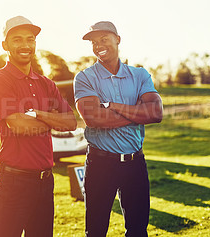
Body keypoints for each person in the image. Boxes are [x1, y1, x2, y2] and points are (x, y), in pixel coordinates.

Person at [0, 16, 77, 237]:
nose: (25, 45)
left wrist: (36, 114)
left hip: (45, 181)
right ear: (5, 45)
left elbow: (71, 122)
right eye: (17, 40)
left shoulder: (46, 84)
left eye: (30, 39)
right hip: (14, 182)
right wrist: (52, 120)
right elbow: (19, 125)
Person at [74, 21, 163, 237]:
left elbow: (156, 113)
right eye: (94, 42)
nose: (98, 46)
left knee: (138, 230)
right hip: (100, 163)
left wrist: (113, 106)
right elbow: (94, 118)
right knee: (95, 231)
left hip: (135, 163)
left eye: (104, 39)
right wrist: (137, 113)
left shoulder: (140, 75)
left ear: (118, 39)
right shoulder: (85, 77)